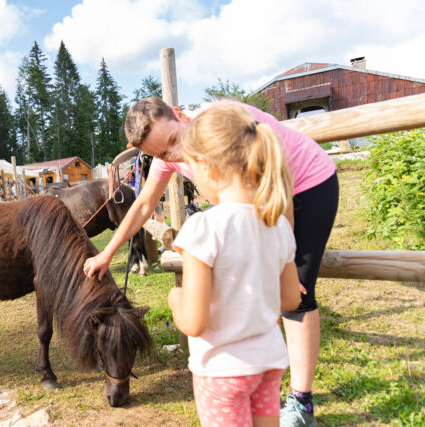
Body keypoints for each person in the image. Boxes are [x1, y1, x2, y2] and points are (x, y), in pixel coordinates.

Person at [83, 97, 339, 427]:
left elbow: (278, 185)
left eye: (174, 141)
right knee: (275, 288)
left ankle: (301, 401)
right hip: (263, 219)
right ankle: (259, 375)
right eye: (162, 154)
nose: (175, 156)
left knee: (297, 300)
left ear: (179, 115)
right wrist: (108, 252)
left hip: (306, 182)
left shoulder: (223, 128)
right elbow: (145, 202)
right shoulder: (182, 153)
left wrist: (276, 257)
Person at [168, 103, 302, 427]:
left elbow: (194, 323)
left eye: (192, 169)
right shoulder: (278, 224)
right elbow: (291, 300)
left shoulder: (204, 228)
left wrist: (174, 301)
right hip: (269, 362)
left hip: (222, 369)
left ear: (206, 165)